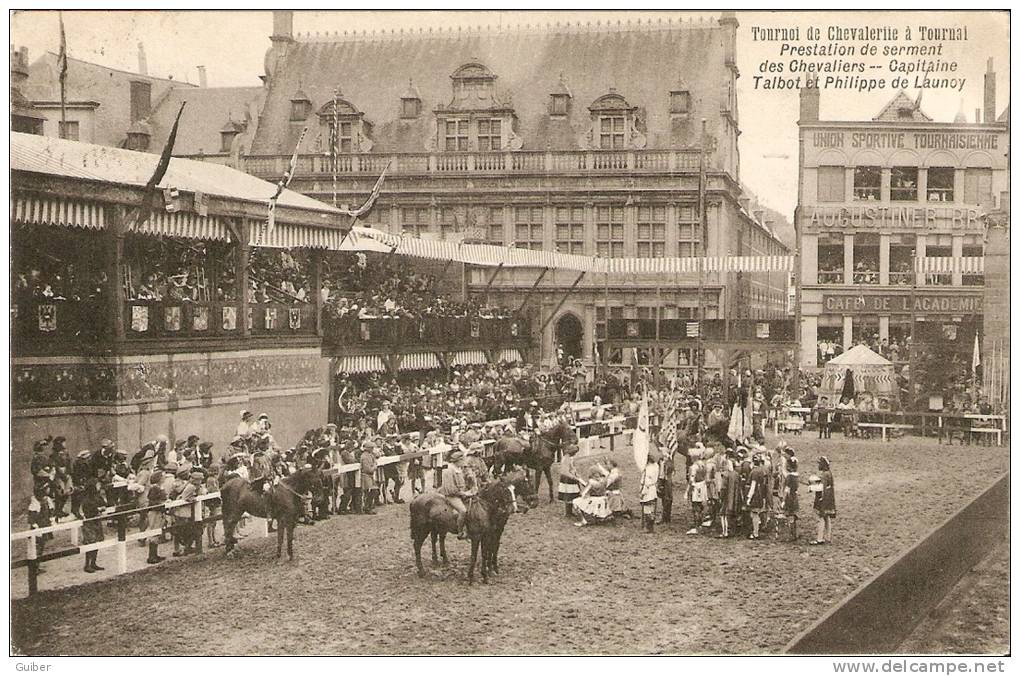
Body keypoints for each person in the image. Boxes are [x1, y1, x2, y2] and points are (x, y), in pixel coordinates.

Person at [439, 449, 476, 540]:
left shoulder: (458, 469)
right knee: (463, 510)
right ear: (458, 461)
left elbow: (462, 484)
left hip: (460, 494)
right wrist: (463, 493)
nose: (464, 463)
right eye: (462, 461)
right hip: (452, 495)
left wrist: (470, 489)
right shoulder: (449, 470)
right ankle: (460, 531)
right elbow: (450, 488)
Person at [810, 456, 836, 545]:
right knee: (827, 517)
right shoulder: (829, 473)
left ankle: (819, 539)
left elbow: (822, 488)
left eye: (819, 464)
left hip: (823, 499)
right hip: (829, 498)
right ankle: (828, 537)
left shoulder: (824, 475)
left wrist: (811, 488)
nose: (818, 465)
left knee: (820, 518)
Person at [746, 454, 769, 540]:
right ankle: (756, 531)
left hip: (755, 494)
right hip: (760, 493)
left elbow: (753, 485)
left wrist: (749, 497)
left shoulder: (754, 472)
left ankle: (755, 533)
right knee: (755, 514)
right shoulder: (761, 470)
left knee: (754, 514)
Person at [557, 444, 583, 517]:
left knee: (572, 495)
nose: (575, 454)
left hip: (571, 478)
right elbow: (564, 471)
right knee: (569, 494)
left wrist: (576, 474)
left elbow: (572, 468)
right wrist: (573, 477)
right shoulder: (566, 459)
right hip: (567, 479)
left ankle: (570, 511)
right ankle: (568, 512)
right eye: (574, 452)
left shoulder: (570, 458)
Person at [781, 449, 800, 541]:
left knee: (789, 516)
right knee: (793, 516)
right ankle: (795, 534)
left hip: (789, 498)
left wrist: (783, 501)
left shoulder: (789, 477)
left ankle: (791, 535)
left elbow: (786, 490)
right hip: (795, 496)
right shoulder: (796, 475)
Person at [639, 451, 659, 534]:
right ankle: (650, 526)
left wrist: (643, 492)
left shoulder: (648, 469)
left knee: (647, 508)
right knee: (651, 507)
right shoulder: (656, 466)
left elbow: (646, 482)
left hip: (648, 489)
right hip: (653, 488)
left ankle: (649, 527)